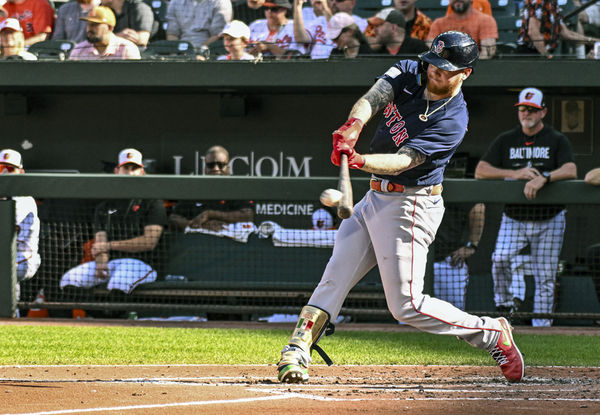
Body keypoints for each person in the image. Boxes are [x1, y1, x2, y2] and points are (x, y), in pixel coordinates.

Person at [276, 31, 524, 385]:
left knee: (407, 305)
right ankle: (298, 347)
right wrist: (353, 125)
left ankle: (490, 333)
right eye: (434, 64)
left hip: (410, 204)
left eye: (445, 69)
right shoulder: (412, 69)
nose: (435, 72)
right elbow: (374, 97)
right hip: (375, 197)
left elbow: (403, 160)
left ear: (465, 73)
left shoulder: (452, 120)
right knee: (335, 276)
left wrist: (359, 159)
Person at [474, 87, 578, 327]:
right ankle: (505, 305)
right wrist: (515, 173)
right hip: (515, 218)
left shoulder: (556, 139)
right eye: (523, 109)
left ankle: (542, 327)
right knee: (499, 259)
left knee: (545, 276)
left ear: (543, 112)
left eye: (532, 109)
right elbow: (481, 171)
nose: (526, 113)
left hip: (549, 219)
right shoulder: (506, 139)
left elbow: (571, 169)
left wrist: (545, 177)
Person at [60, 148, 167, 294]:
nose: (130, 172)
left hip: (140, 263)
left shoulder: (152, 202)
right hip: (111, 263)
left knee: (118, 284)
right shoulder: (104, 206)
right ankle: (93, 314)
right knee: (69, 280)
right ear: (117, 170)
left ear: (142, 171)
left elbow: (149, 242)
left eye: (134, 168)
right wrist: (101, 262)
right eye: (126, 168)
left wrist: (109, 246)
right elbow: (100, 243)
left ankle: (114, 315)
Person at [169, 146, 255, 232]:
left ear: (228, 167)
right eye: (211, 165)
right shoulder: (195, 189)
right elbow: (174, 218)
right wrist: (196, 225)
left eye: (221, 165)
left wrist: (211, 214)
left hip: (232, 241)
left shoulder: (237, 187)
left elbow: (248, 215)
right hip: (198, 240)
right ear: (205, 168)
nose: (216, 169)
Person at [0, 149, 41, 301]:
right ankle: (12, 316)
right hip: (4, 255)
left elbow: (8, 231)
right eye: (0, 168)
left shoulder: (24, 199)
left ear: (21, 172)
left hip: (24, 255)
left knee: (4, 269)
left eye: (10, 169)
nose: (4, 172)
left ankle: (10, 314)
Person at [433, 203, 485, 311]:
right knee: (408, 316)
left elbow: (478, 207)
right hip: (416, 259)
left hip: (449, 261)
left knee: (451, 316)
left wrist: (472, 245)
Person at [517, 0, 600, 58]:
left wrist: (594, 41)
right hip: (531, 54)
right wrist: (547, 56)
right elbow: (533, 33)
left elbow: (565, 33)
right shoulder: (539, 2)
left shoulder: (552, 3)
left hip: (544, 53)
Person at [427, 0, 498, 59]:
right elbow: (431, 50)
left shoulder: (486, 20)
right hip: (445, 69)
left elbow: (488, 52)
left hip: (476, 69)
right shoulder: (438, 23)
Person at [69, 6, 142, 60]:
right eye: (88, 24)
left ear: (110, 28)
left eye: (95, 24)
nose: (89, 28)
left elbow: (135, 78)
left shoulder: (126, 48)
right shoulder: (79, 50)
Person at [166, 0, 232, 51]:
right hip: (182, 50)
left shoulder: (221, 2)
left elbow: (217, 35)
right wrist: (175, 52)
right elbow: (172, 34)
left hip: (210, 51)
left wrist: (197, 52)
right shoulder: (175, 2)